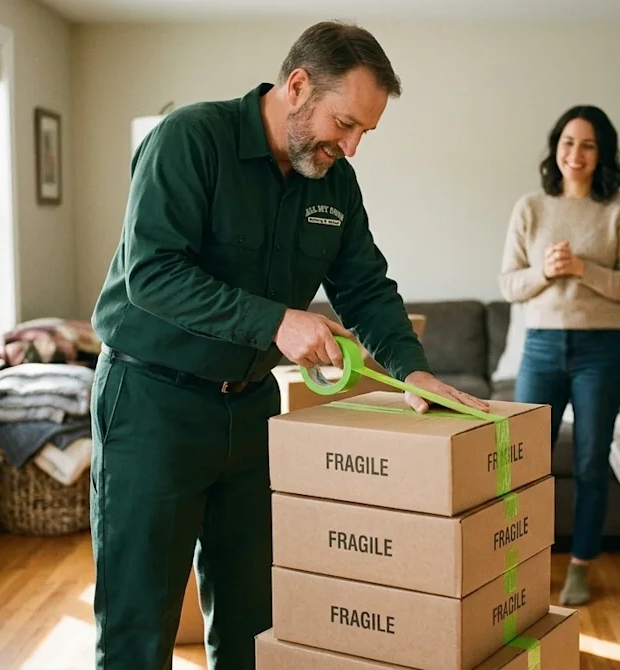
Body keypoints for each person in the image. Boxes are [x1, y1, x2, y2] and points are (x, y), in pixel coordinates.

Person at [87, 20, 487, 670]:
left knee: (255, 619)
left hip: (249, 414)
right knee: (138, 623)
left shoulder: (333, 183)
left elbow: (365, 287)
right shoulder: (191, 140)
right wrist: (278, 322)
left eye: (364, 133)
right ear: (297, 86)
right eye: (346, 123)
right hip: (152, 406)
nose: (352, 147)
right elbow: (152, 274)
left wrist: (413, 371)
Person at [497, 105, 620, 606]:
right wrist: (546, 272)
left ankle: (580, 565)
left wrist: (583, 268)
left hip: (600, 351)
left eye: (587, 144)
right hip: (541, 347)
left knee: (589, 462)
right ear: (554, 148)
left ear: (601, 152)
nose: (575, 154)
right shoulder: (531, 207)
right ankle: (524, 562)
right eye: (567, 142)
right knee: (523, 464)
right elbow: (509, 284)